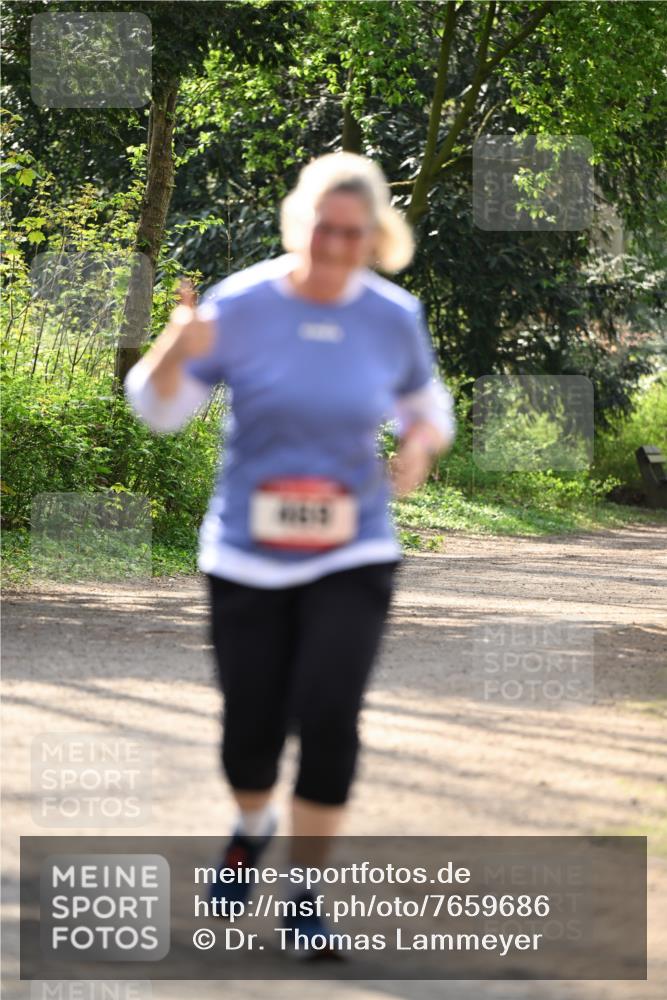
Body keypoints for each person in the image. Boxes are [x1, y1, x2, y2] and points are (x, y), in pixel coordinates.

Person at [124, 151, 456, 960]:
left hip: (353, 548)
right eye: (321, 228)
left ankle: (304, 892)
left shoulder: (391, 316)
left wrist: (419, 445)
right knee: (251, 727)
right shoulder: (240, 303)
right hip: (246, 551)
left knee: (331, 714)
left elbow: (427, 406)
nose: (334, 245)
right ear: (296, 223)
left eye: (352, 233)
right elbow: (158, 412)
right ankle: (249, 828)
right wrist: (175, 344)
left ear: (373, 237)